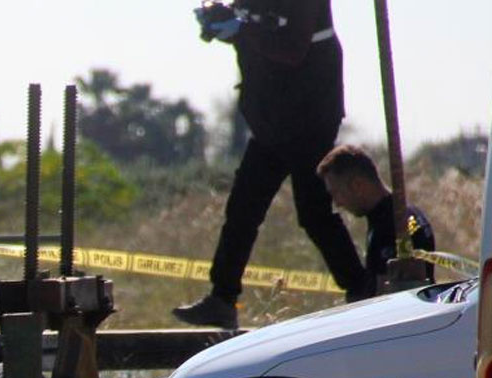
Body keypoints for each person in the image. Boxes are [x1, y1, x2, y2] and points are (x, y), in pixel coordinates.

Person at [174, 0, 368, 329]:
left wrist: (241, 29)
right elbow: (255, 29)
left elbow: (292, 49)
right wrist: (222, 22)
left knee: (314, 214)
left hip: (309, 119)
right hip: (273, 122)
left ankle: (363, 293)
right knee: (242, 210)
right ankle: (222, 299)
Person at [315, 144, 435, 293]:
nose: (337, 203)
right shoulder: (401, 213)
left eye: (337, 193)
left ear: (357, 185)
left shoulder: (392, 224)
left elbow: (384, 295)